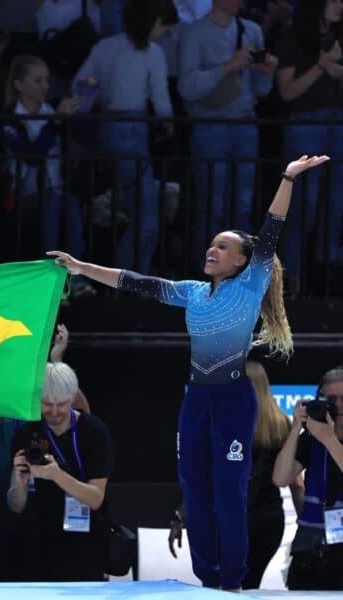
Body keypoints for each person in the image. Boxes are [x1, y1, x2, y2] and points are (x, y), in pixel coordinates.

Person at [48, 154, 328, 591]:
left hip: (233, 401)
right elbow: (134, 281)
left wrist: (288, 177)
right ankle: (207, 578)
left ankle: (232, 581)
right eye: (211, 245)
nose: (211, 251)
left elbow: (273, 225)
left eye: (222, 247)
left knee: (228, 492)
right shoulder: (193, 293)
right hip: (196, 400)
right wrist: (82, 268)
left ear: (241, 261)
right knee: (195, 491)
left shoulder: (251, 284)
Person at [168, 360, 304, 590]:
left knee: (217, 586)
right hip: (267, 520)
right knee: (247, 586)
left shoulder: (218, 425)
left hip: (227, 518)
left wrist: (182, 516)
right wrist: (306, 525)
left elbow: (200, 480)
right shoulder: (282, 424)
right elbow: (296, 484)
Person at [0, 323, 89, 581]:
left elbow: (85, 413)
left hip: (51, 512)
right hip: (1, 509)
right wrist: (11, 365)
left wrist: (55, 362)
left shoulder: (47, 394)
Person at [74, 0, 177, 274]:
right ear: (155, 22)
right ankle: (129, 279)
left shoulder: (104, 47)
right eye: (164, 26)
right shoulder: (152, 53)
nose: (165, 33)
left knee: (137, 212)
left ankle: (124, 277)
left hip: (106, 130)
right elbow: (161, 99)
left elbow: (80, 84)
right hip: (132, 132)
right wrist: (169, 125)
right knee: (148, 217)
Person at [177, 0, 278, 264]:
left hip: (246, 124)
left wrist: (266, 74)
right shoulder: (193, 32)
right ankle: (207, 273)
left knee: (243, 205)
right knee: (212, 205)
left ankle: (239, 273)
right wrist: (227, 67)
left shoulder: (251, 31)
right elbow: (187, 87)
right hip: (210, 126)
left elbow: (260, 91)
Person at [9, 361, 113, 581]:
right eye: (47, 404)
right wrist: (18, 482)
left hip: (86, 542)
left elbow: (96, 499)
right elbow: (16, 506)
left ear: (73, 397)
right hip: (41, 540)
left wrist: (56, 475)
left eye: (62, 404)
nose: (54, 412)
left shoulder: (94, 432)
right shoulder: (28, 433)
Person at [3, 55, 92, 297]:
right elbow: (32, 154)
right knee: (52, 204)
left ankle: (77, 280)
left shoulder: (51, 110)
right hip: (25, 194)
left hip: (58, 189)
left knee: (71, 208)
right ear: (19, 84)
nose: (45, 86)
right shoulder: (10, 118)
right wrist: (55, 122)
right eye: (37, 80)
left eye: (47, 80)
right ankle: (50, 282)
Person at [275, 0, 343, 291]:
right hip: (306, 124)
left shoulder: (339, 35)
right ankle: (295, 281)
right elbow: (287, 92)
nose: (340, 5)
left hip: (338, 124)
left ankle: (327, 280)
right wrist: (322, 66)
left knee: (337, 205)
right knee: (305, 204)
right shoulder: (294, 37)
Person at [273, 367, 343, 590]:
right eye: (331, 399)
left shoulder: (322, 436)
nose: (338, 405)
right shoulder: (312, 438)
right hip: (310, 547)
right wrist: (296, 429)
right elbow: (281, 478)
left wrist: (330, 440)